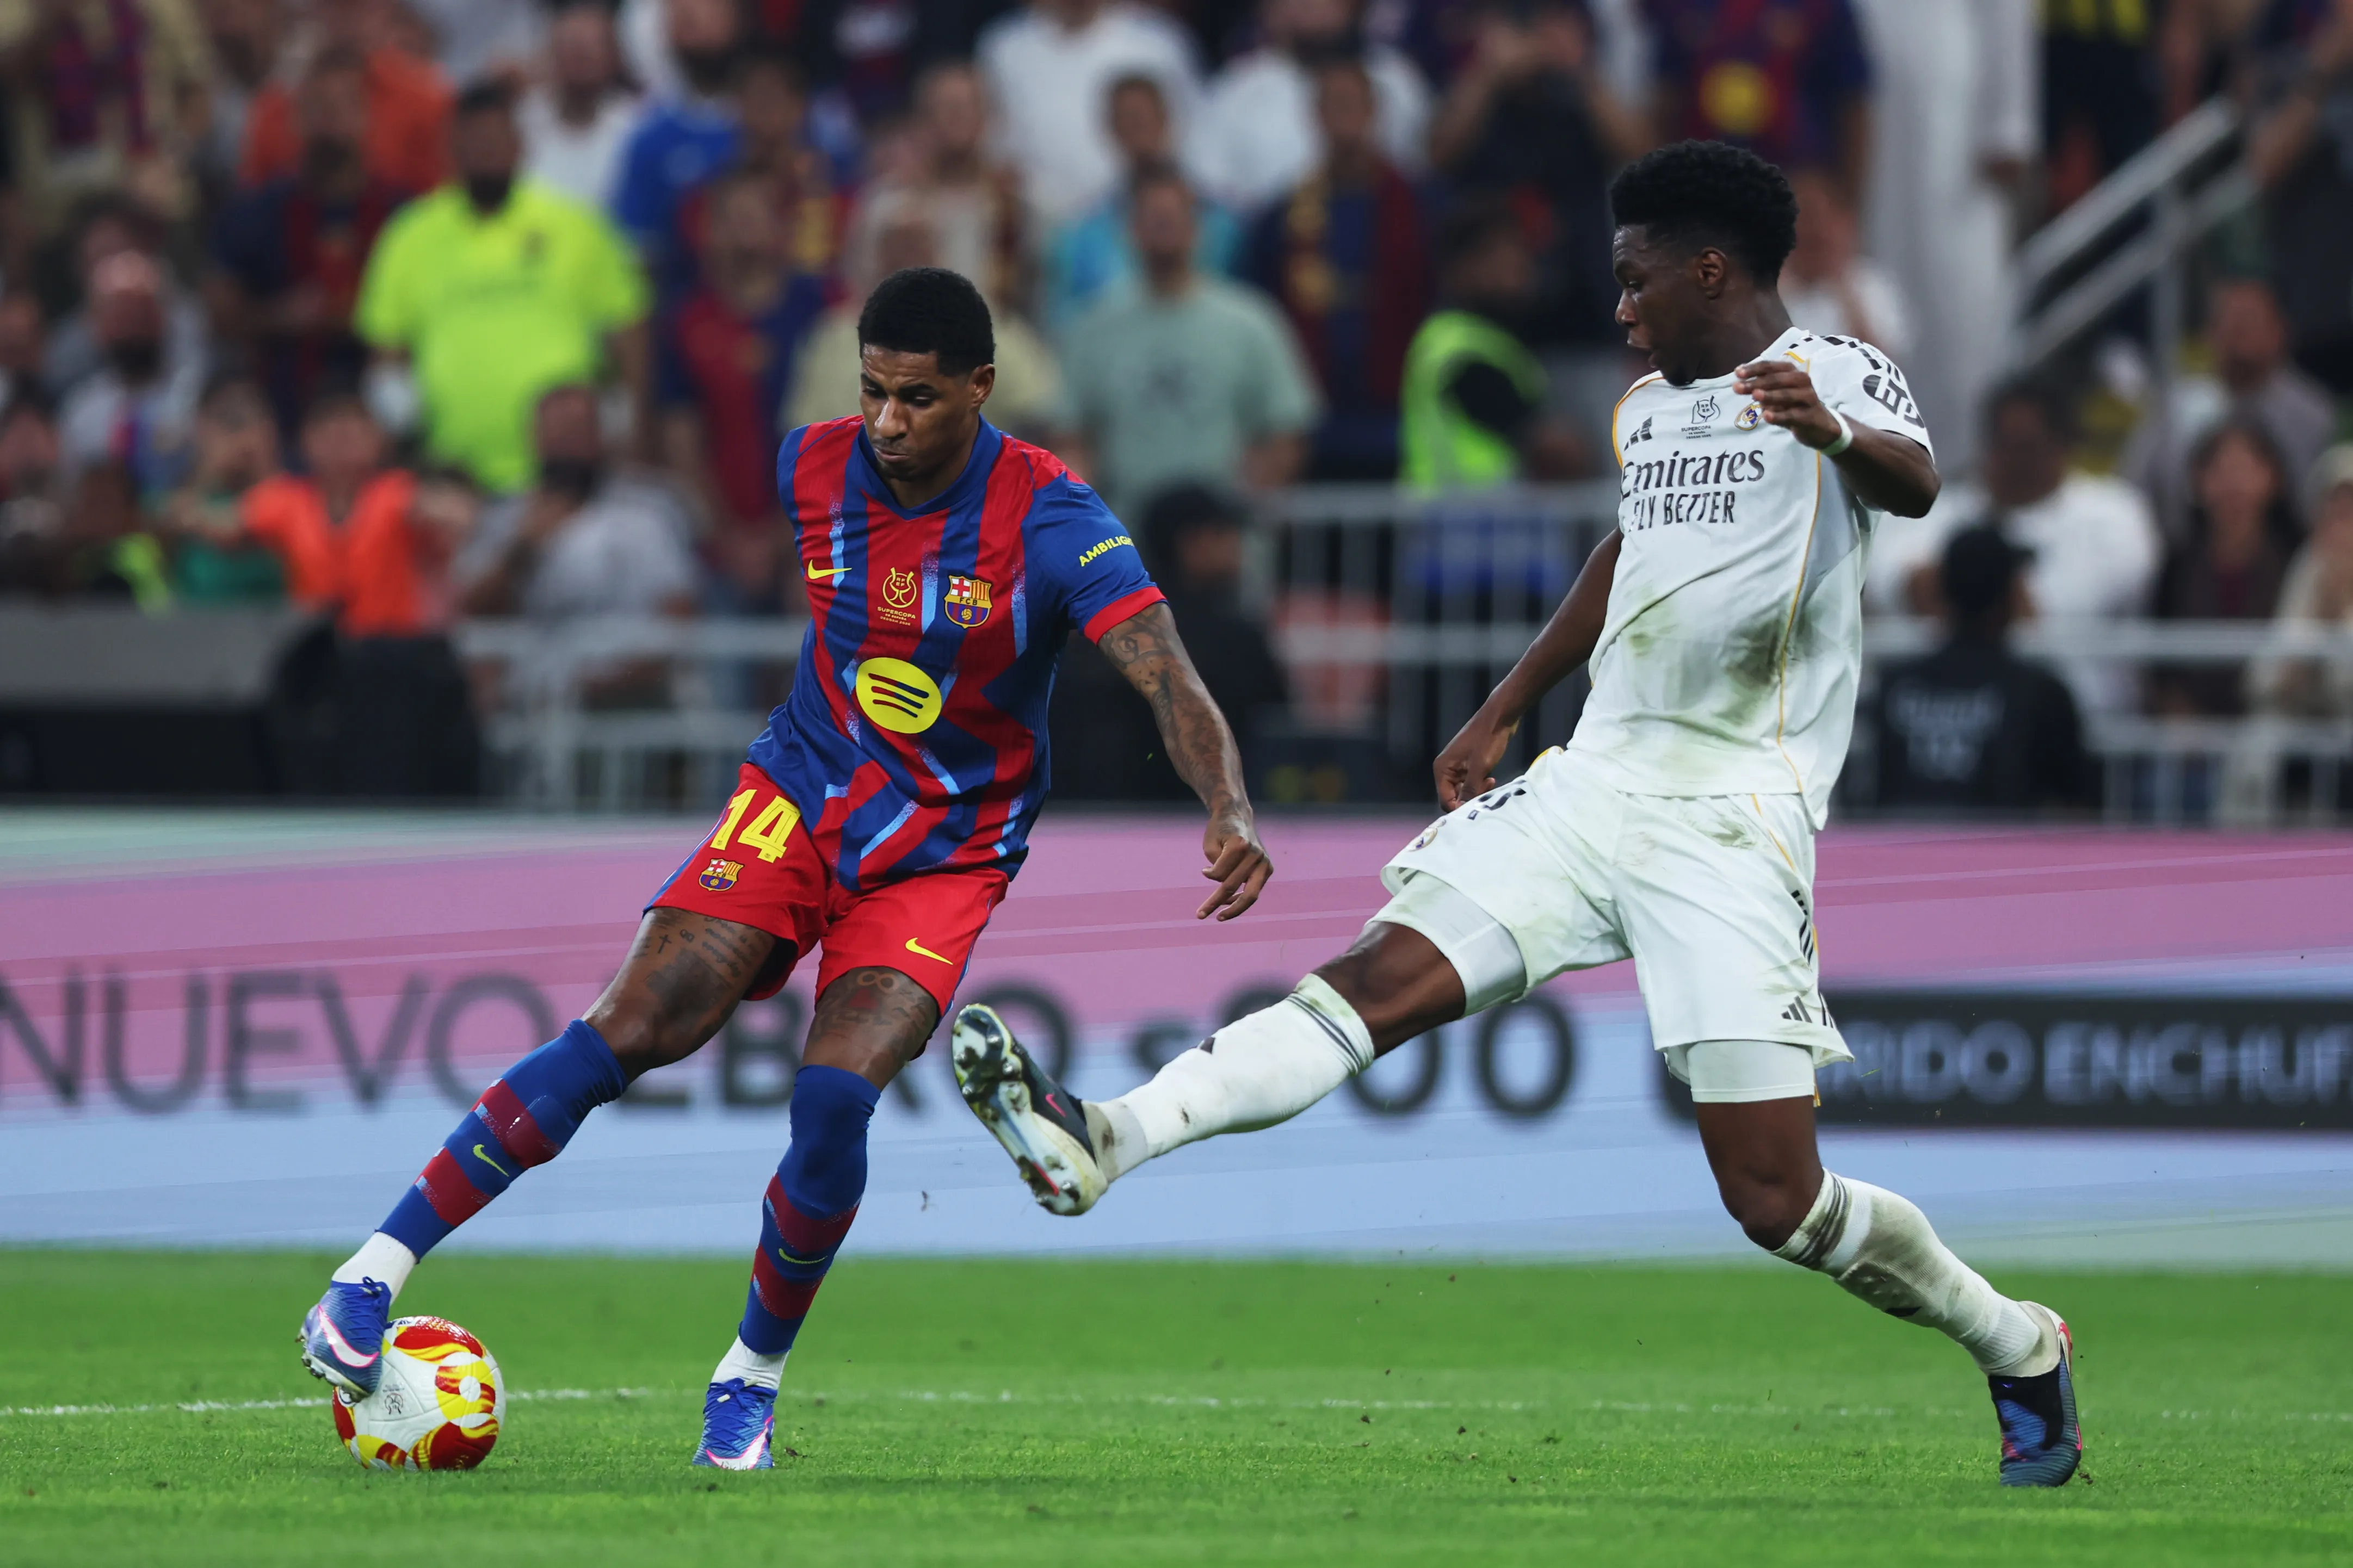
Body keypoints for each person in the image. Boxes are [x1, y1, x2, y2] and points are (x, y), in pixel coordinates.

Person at [950, 140, 2084, 1492]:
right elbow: (1626, 550)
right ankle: (1108, 1136)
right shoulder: (1644, 412)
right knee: (1370, 983)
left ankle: (2012, 1339)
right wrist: (1504, 703)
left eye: (1632, 279)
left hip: (1729, 815)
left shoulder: (1830, 370)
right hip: (1589, 780)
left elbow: (1913, 480)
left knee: (1774, 1200)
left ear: (1706, 268)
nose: (1616, 307)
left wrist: (1828, 431)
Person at [298, 267, 1275, 1471]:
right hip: (800, 795)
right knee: (636, 1020)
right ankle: (363, 1280)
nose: (887, 423)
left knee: (830, 1100)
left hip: (945, 848)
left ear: (980, 388)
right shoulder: (808, 467)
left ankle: (747, 1378)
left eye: (917, 399)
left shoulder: (1052, 518)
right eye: (872, 392)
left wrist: (1226, 803)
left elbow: (1165, 673)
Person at [354, 79, 649, 495]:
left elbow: (629, 336)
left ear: (520, 145)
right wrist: (403, 443)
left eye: (496, 139)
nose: (486, 152)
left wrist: (630, 434)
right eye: (473, 141)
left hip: (567, 472)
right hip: (451, 477)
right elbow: (386, 355)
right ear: (451, 149)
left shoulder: (576, 226)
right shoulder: (410, 236)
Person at [1867, 379, 2161, 718]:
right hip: (1949, 724)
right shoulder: (1935, 509)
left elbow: (2052, 613)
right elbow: (1888, 581)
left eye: (2027, 446)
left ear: (2063, 445)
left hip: (2079, 729)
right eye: (2003, 444)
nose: (2013, 460)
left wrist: (1958, 591)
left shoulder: (2116, 514)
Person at [1061, 164, 1319, 518]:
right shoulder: (1093, 328)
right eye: (1153, 218)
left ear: (1197, 227)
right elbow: (1071, 437)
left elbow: (1286, 433)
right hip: (1124, 548)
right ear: (1130, 230)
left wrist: (1227, 519)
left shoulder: (1251, 322)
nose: (1163, 229)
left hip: (1225, 552)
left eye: (1172, 217)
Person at [1848, 0, 2033, 475]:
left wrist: (2008, 123)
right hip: (1864, 79)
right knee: (1875, 273)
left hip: (1951, 86)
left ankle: (1963, 458)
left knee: (1957, 285)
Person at [208, 45, 415, 445]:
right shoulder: (254, 213)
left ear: (365, 117)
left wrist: (369, 319)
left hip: (381, 414)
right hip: (283, 413)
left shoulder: (404, 215)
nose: (330, 123)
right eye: (318, 108)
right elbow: (219, 313)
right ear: (296, 119)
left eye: (342, 108)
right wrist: (279, 316)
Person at [1246, 54, 1431, 480]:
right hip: (1310, 425)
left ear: (1374, 113)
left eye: (1354, 103)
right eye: (1333, 105)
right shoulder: (1279, 219)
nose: (1344, 116)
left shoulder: (1420, 206)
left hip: (1400, 418)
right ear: (1314, 116)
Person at [656, 169, 830, 609]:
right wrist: (729, 539)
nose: (746, 229)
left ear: (780, 226)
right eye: (734, 217)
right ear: (710, 230)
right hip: (717, 548)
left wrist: (781, 533)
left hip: (815, 541)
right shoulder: (686, 322)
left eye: (757, 215)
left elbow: (839, 433)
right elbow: (681, 441)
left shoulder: (822, 310)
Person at [788, 208, 1069, 444]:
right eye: (896, 245)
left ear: (940, 255)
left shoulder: (988, 326)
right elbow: (807, 436)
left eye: (919, 244)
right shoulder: (833, 336)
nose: (908, 258)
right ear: (873, 256)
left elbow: (1048, 412)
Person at [1872, 526, 2095, 817]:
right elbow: (2074, 806)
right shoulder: (2042, 692)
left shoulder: (1896, 683)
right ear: (2009, 594)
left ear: (1944, 589)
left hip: (1898, 851)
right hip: (2004, 856)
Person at [2122, 276, 2339, 542]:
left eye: (2249, 319)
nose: (2238, 331)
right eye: (2227, 320)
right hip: (2186, 562)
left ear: (2280, 331)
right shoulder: (2175, 408)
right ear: (2209, 334)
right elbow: (2132, 494)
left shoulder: (2317, 417)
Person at [1397, 199, 1582, 487]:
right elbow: (1553, 447)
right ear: (1461, 268)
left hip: (1481, 520)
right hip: (1466, 522)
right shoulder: (1459, 347)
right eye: (1500, 252)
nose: (1520, 263)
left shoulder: (1492, 339)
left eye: (1522, 249)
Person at [1040, 71, 1240, 333]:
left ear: (1167, 121)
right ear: (1110, 130)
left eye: (1145, 119)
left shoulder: (1222, 225)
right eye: (1127, 121)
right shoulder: (1079, 237)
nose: (1138, 130)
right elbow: (1065, 320)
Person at [1185, 0, 1429, 215]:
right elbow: (1209, 191)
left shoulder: (1396, 80)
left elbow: (1422, 173)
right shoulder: (1239, 87)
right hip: (1264, 249)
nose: (1309, 4)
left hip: (1379, 238)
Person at [977, 0, 1201, 225]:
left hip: (1137, 228)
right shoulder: (1005, 49)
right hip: (1035, 224)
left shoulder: (1158, 43)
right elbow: (991, 146)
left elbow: (1192, 138)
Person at [842, 63, 1028, 308]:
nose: (957, 118)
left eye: (968, 107)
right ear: (920, 120)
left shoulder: (1021, 202)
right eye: (946, 108)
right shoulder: (887, 205)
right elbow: (860, 288)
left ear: (988, 117)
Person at [1645, 0, 1873, 199]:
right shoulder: (1682, 7)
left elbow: (1853, 106)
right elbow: (1667, 103)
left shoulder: (1821, 6)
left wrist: (1848, 203)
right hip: (1703, 181)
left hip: (1799, 183)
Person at [2148, 421, 2300, 717]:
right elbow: (2159, 657)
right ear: (2197, 480)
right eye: (2219, 471)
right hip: (2193, 732)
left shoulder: (2296, 560)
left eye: (2244, 470)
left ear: (2273, 477)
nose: (2233, 485)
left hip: (2277, 722)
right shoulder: (2177, 564)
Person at [239, 0, 451, 196]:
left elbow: (444, 199)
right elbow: (253, 202)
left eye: (362, 7)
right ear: (315, 11)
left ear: (388, 9)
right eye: (337, 6)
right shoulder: (274, 110)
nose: (350, 21)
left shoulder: (428, 101)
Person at [2254, 443, 2353, 718]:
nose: (2342, 520)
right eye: (2334, 505)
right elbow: (2269, 680)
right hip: (2301, 728)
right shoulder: (2309, 563)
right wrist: (2323, 609)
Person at [1777, 166, 1910, 364]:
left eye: (1822, 218)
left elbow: (1882, 367)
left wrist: (1844, 291)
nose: (1815, 229)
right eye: (1804, 219)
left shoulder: (1870, 285)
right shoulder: (1762, 287)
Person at [518, 0, 641, 209]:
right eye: (571, 45)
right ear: (551, 53)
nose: (581, 55)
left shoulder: (637, 125)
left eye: (592, 46)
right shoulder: (521, 121)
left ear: (615, 55)